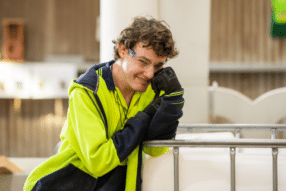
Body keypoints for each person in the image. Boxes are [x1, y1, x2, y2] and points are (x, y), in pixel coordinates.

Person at [24, 16, 184, 191]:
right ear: (123, 49)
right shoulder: (87, 92)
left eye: (158, 66)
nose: (150, 74)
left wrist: (172, 104)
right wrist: (141, 120)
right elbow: (98, 161)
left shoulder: (150, 90)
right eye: (143, 62)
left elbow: (155, 150)